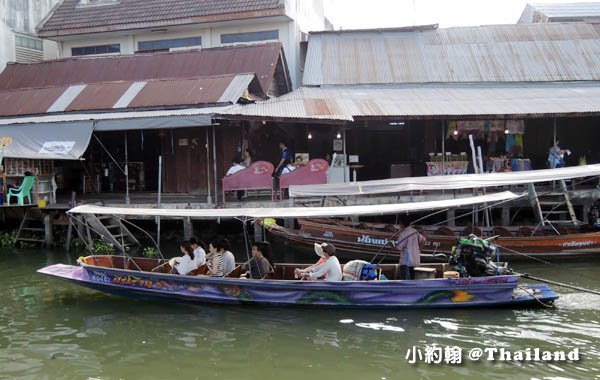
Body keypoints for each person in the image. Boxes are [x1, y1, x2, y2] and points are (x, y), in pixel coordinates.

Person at [394, 214, 427, 280]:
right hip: (415, 261)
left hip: (406, 262)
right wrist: (419, 251)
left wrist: (391, 245)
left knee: (405, 282)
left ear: (401, 223)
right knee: (413, 280)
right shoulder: (414, 231)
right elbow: (423, 240)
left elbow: (399, 248)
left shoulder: (403, 233)